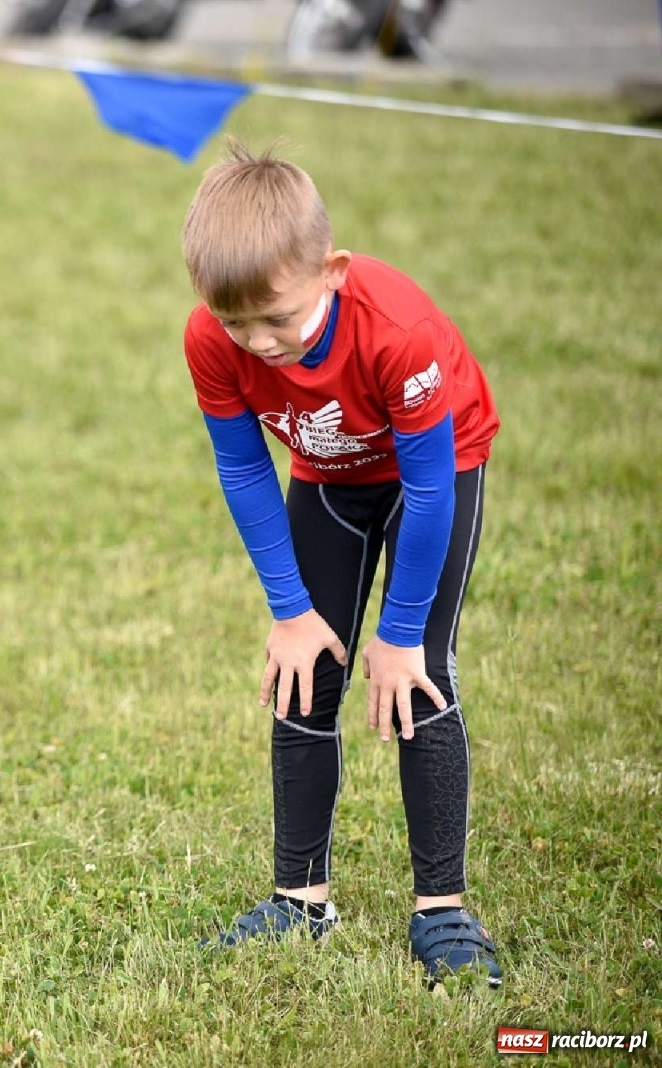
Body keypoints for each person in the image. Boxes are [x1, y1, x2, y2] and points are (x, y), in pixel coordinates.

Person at [179, 142, 502, 986]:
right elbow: (245, 466)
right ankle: (300, 901)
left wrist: (397, 635)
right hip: (329, 479)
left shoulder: (398, 332)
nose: (259, 343)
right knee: (304, 674)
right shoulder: (214, 338)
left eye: (277, 318)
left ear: (333, 270)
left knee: (419, 675)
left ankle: (444, 912)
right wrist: (289, 609)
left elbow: (432, 492)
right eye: (235, 324)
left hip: (433, 475)